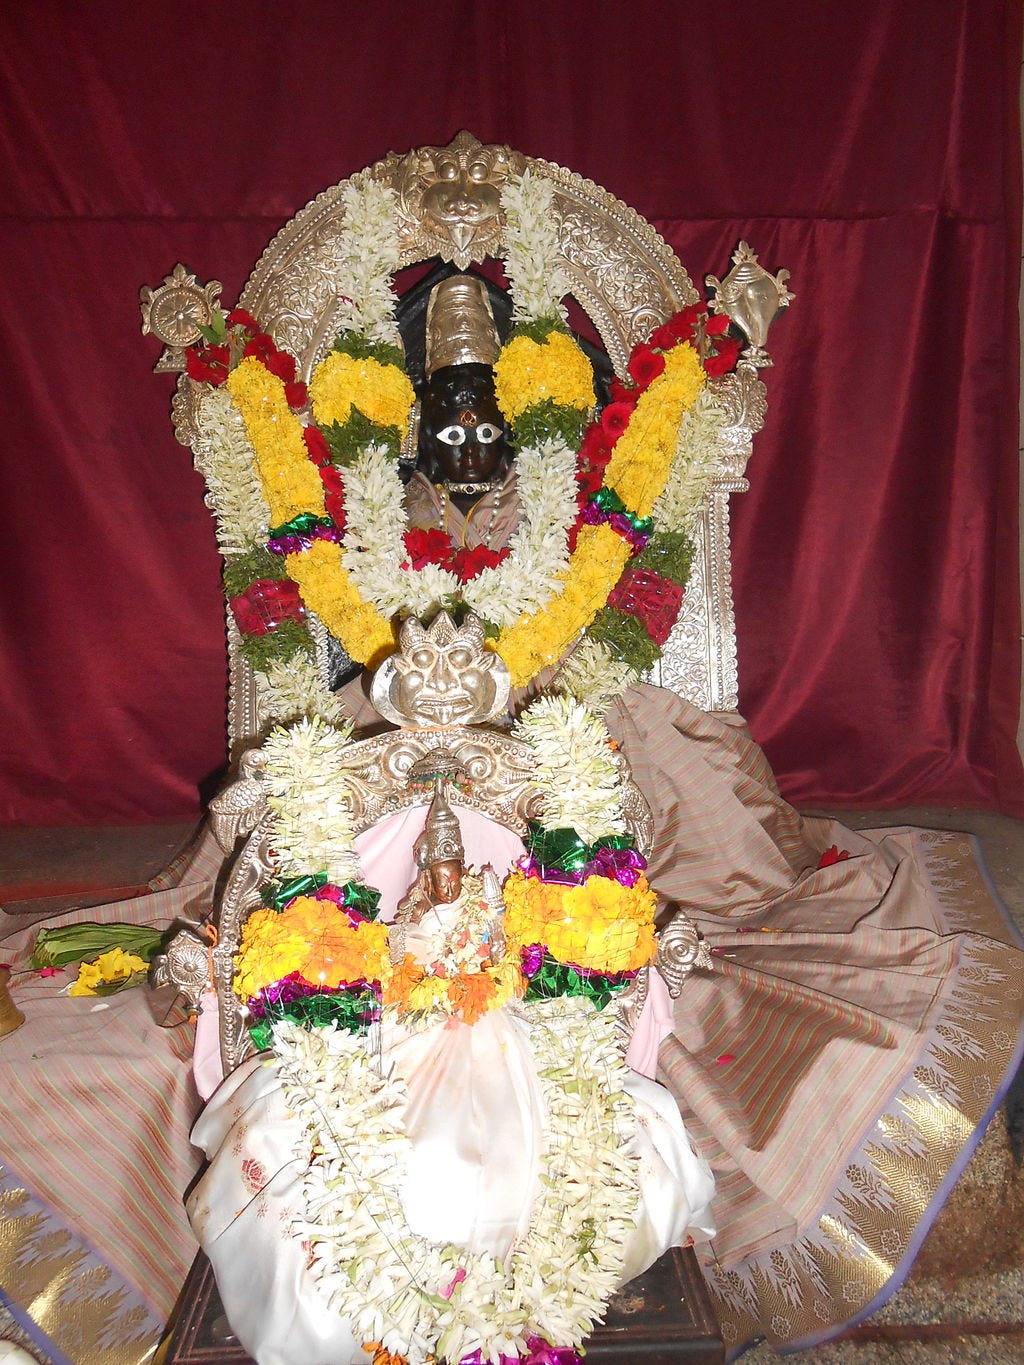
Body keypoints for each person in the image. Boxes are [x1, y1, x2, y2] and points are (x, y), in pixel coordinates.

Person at [186, 780, 716, 1365]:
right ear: (422, 866)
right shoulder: (408, 912)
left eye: (451, 867)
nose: (446, 880)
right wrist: (429, 981)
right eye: (436, 868)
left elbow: (511, 961)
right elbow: (395, 970)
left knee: (535, 1126)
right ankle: (407, 1288)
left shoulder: (486, 900)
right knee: (398, 1135)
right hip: (417, 1026)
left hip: (496, 1025)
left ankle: (538, 1274)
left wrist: (485, 978)